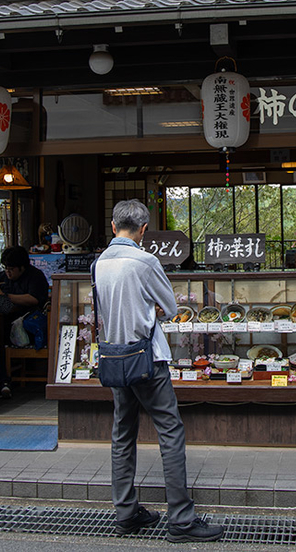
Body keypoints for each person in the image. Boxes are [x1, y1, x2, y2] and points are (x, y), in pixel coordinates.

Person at [93, 199, 224, 543]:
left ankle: (126, 512)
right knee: (170, 431)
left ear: (113, 226)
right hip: (146, 359)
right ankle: (181, 519)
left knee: (123, 433)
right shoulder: (146, 261)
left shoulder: (99, 263)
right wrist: (147, 306)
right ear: (143, 229)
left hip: (115, 357)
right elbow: (168, 307)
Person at [0, 245, 50, 398]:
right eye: (5, 268)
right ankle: (2, 381)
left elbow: (34, 299)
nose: (7, 272)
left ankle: (4, 381)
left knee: (2, 341)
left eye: (11, 269)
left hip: (29, 326)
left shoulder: (35, 276)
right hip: (6, 321)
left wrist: (5, 296)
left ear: (22, 267)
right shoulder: (2, 278)